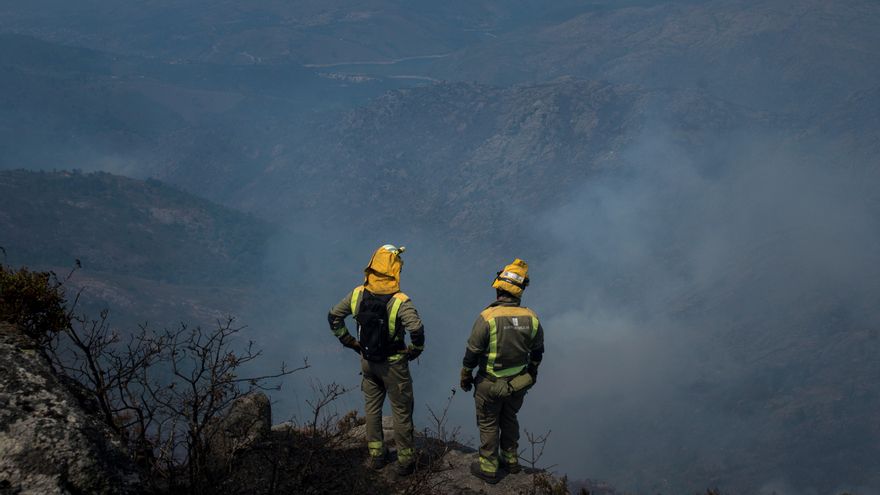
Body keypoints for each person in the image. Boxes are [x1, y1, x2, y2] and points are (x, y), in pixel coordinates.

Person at [327, 244, 425, 476]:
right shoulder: (400, 300)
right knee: (401, 412)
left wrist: (349, 342)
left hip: (367, 361)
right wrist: (415, 350)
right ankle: (405, 461)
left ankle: (377, 456)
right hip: (394, 365)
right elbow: (417, 329)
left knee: (372, 409)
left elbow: (333, 317)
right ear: (395, 270)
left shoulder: (357, 294)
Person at [460, 258, 545, 484]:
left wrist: (465, 376)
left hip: (489, 384)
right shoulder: (532, 318)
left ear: (498, 288)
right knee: (510, 418)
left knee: (489, 423)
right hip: (517, 384)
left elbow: (472, 353)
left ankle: (489, 468)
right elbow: (537, 353)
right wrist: (530, 375)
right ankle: (511, 460)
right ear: (519, 292)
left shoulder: (487, 317)